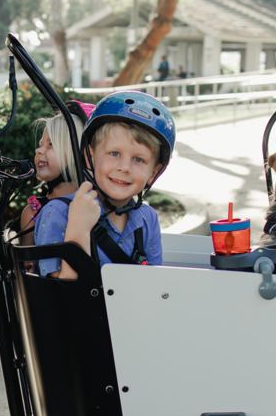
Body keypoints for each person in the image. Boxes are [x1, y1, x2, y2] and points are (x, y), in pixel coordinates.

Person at [34, 91, 176, 280]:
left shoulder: (147, 219)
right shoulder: (58, 212)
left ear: (154, 172)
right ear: (89, 155)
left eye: (139, 159)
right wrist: (78, 229)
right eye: (114, 153)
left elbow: (155, 287)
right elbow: (60, 298)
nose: (124, 167)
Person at [17, 102, 91, 246]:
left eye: (51, 144)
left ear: (75, 153)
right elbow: (28, 265)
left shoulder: (94, 205)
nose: (39, 150)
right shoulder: (33, 213)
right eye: (40, 144)